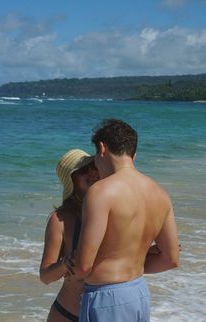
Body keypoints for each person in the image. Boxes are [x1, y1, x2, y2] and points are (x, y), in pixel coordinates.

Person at [73, 119, 179, 322]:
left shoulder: (101, 192)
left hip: (106, 299)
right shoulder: (160, 194)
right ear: (134, 154)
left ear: (102, 148)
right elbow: (171, 259)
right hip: (138, 293)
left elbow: (83, 267)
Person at [40, 149, 99, 322]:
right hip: (67, 313)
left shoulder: (113, 209)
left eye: (93, 166)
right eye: (82, 170)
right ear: (71, 180)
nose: (92, 172)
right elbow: (45, 276)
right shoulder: (61, 219)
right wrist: (67, 263)